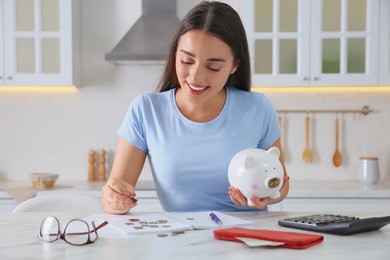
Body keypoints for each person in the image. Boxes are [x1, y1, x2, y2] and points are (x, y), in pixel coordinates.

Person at [102, 1, 289, 214]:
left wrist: (267, 197)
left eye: (213, 67)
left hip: (246, 239)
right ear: (175, 54)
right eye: (186, 61)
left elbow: (280, 185)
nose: (196, 77)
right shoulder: (146, 111)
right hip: (178, 241)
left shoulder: (258, 108)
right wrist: (114, 199)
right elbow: (115, 191)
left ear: (235, 65)